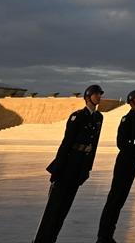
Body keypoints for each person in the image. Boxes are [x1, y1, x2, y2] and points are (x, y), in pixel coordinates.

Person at [34, 84, 105, 243]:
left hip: (80, 167)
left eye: (100, 94)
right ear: (88, 97)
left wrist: (87, 169)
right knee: (54, 208)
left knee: (64, 208)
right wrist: (57, 169)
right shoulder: (77, 116)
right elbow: (66, 143)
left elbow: (94, 145)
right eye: (96, 94)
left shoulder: (99, 118)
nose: (99, 96)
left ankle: (52, 239)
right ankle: (41, 240)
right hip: (67, 165)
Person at [96, 89, 135, 243]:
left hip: (133, 161)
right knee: (115, 199)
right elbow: (121, 143)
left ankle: (108, 234)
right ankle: (103, 236)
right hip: (125, 161)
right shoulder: (126, 119)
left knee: (121, 199)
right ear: (131, 100)